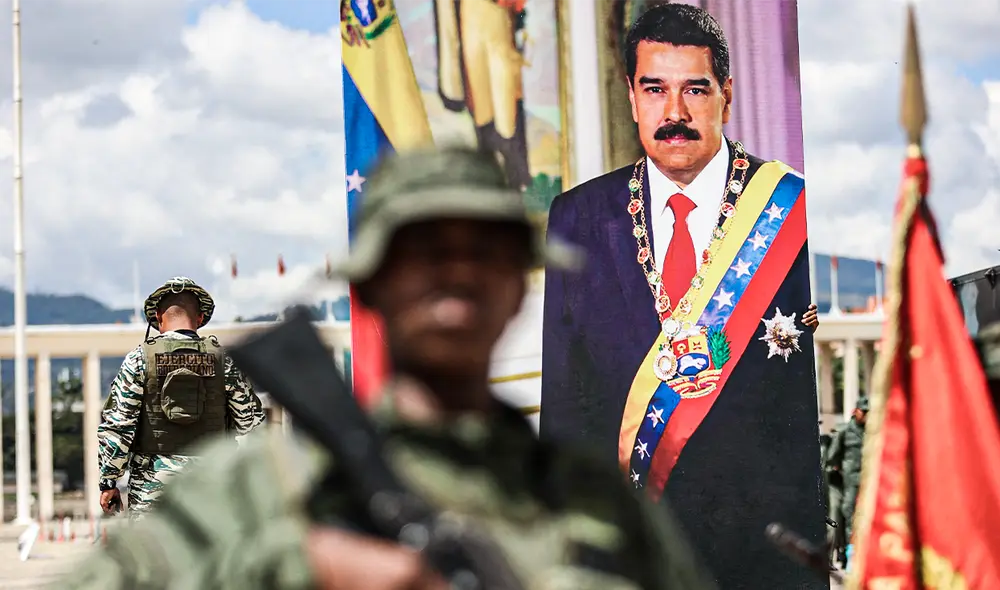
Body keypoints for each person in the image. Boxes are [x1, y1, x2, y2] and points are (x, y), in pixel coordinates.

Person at [63, 147, 718, 590]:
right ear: (372, 285)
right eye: (425, 251)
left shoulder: (596, 502)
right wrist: (290, 566)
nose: (457, 271)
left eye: (483, 251)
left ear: (519, 286)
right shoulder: (257, 495)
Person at [540, 4, 824, 588]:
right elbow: (566, 408)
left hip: (770, 558)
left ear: (727, 93)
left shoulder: (795, 212)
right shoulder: (578, 218)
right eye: (655, 89)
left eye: (696, 89)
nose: (674, 114)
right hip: (633, 557)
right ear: (631, 95)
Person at [97, 277, 266, 520]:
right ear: (199, 318)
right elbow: (251, 423)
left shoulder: (139, 359)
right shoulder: (223, 361)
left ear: (158, 317)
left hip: (152, 489)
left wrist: (108, 481)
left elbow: (118, 426)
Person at [824, 396, 868, 569]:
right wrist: (838, 470)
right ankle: (851, 557)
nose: (866, 416)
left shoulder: (870, 431)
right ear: (856, 411)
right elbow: (833, 456)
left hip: (865, 482)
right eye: (864, 412)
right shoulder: (844, 432)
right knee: (849, 518)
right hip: (848, 483)